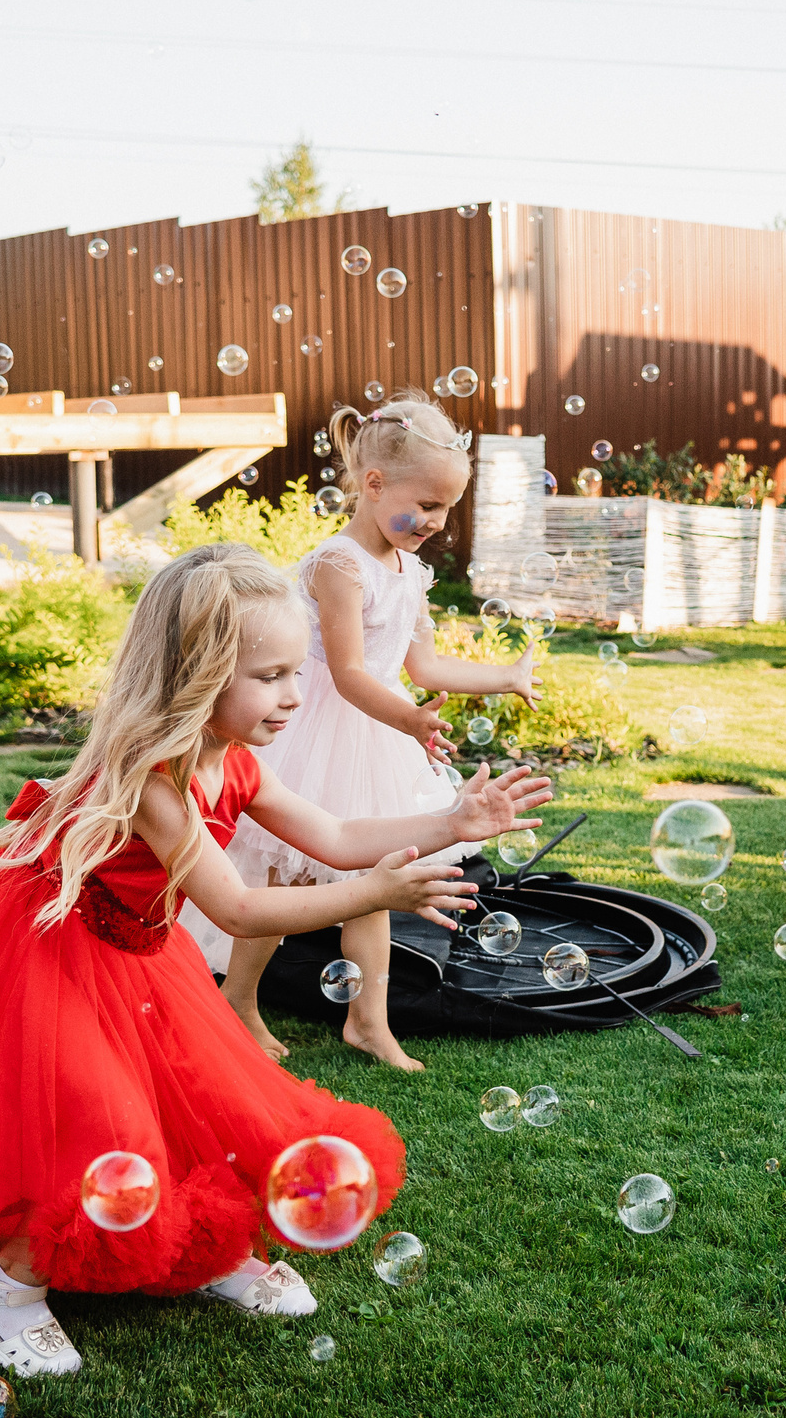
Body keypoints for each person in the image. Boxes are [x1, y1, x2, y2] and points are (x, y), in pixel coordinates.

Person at [0, 543, 552, 1374]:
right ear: (199, 674)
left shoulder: (234, 759)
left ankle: (210, 1249)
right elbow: (235, 905)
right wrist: (379, 895)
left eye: (296, 674)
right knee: (94, 1130)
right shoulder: (151, 772)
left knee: (206, 1102)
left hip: (136, 954)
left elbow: (341, 832)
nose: (292, 696)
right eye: (271, 676)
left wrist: (452, 822)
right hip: (42, 952)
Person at [198, 390, 541, 1072]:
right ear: (374, 483)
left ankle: (368, 1020)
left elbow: (423, 663)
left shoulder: (410, 571)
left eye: (448, 508)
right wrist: (410, 717)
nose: (438, 523)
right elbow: (352, 673)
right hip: (321, 729)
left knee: (380, 879)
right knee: (289, 878)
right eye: (429, 504)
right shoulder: (339, 564)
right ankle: (237, 997)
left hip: (378, 741)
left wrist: (504, 676)